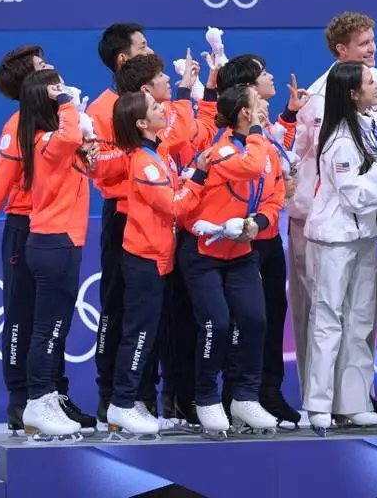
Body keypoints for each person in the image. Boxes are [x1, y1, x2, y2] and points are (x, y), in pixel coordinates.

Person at [0, 47, 95, 434]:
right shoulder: (18, 127)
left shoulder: (58, 122)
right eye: (43, 68)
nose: (53, 69)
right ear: (32, 83)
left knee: (54, 320)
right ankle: (22, 399)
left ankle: (54, 395)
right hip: (26, 228)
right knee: (24, 317)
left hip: (55, 227)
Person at [287, 12, 377, 420]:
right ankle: (318, 404)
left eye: (373, 40)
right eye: (365, 43)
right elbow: (315, 166)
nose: (373, 51)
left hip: (364, 226)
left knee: (361, 317)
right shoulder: (320, 103)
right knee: (327, 316)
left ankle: (353, 401)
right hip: (330, 226)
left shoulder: (371, 95)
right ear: (342, 51)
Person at [179, 86, 279, 436]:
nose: (266, 106)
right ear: (243, 112)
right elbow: (251, 168)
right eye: (257, 104)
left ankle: (244, 397)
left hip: (240, 252)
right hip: (203, 252)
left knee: (255, 319)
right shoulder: (221, 150)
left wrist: (258, 224)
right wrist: (256, 132)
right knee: (216, 324)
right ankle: (206, 399)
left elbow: (274, 196)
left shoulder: (265, 150)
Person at [19, 69, 113, 440]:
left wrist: (88, 155)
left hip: (63, 242)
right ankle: (37, 401)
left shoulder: (57, 142)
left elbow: (83, 163)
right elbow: (71, 132)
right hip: (52, 243)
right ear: (47, 99)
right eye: (54, 87)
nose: (63, 90)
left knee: (55, 331)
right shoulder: (47, 140)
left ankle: (46, 399)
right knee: (49, 330)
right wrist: (67, 102)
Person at [107, 91, 207, 439]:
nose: (161, 110)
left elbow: (181, 133)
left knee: (145, 336)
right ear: (141, 123)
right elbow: (175, 207)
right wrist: (199, 178)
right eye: (154, 108)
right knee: (138, 336)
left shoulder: (155, 153)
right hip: (144, 260)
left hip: (157, 258)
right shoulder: (145, 162)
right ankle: (121, 404)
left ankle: (131, 402)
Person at [214, 55, 303, 429]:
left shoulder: (263, 130)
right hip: (244, 242)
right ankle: (235, 395)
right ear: (247, 93)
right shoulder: (234, 140)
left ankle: (267, 391)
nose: (271, 78)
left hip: (269, 236)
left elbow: (277, 154)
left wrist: (289, 117)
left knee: (270, 317)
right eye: (263, 75)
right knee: (244, 322)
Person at [85, 22, 153, 425]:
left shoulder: (154, 105)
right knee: (116, 307)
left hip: (161, 218)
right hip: (123, 217)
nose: (151, 51)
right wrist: (141, 162)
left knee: (152, 313)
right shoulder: (101, 109)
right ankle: (110, 395)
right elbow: (101, 174)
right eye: (143, 46)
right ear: (123, 58)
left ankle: (144, 396)